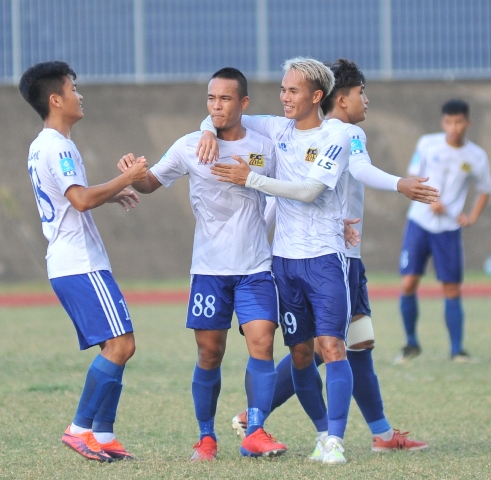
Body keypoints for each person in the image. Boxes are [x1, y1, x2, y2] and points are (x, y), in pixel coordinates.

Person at [225, 58, 434, 454]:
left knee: (348, 344)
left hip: (336, 252)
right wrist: (400, 184)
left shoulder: (332, 134)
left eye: (292, 90)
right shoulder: (348, 133)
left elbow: (299, 189)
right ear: (338, 98)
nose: (365, 101)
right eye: (360, 93)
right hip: (332, 258)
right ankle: (259, 415)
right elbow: (359, 170)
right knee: (329, 346)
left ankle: (371, 433)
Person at [118, 67, 288, 460]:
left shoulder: (264, 148)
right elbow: (150, 183)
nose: (216, 106)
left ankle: (256, 431)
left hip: (255, 268)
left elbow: (287, 189)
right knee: (210, 353)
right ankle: (206, 437)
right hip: (209, 270)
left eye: (225, 98)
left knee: (263, 342)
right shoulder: (190, 146)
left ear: (243, 103)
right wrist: (132, 175)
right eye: (211, 98)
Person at [199, 57, 356, 464]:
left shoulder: (336, 135)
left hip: (324, 259)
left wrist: (250, 178)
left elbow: (309, 191)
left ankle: (336, 441)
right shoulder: (277, 128)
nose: (284, 97)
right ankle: (322, 433)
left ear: (316, 96)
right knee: (301, 354)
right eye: (283, 89)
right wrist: (207, 131)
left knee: (331, 346)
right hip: (283, 263)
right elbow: (222, 115)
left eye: (293, 90)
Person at [18, 61, 148, 462]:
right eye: (73, 88)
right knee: (122, 344)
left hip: (71, 262)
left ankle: (104, 435)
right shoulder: (58, 146)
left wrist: (110, 194)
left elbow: (72, 199)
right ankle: (80, 429)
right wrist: (126, 179)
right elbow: (79, 200)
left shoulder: (42, 144)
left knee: (119, 345)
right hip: (79, 262)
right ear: (56, 99)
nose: (79, 94)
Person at [396, 99, 491, 363]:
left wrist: (472, 216)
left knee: (451, 288)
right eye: (449, 122)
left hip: (448, 229)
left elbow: (485, 189)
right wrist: (430, 200)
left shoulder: (476, 156)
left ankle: (457, 350)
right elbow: (412, 177)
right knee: (408, 283)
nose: (454, 127)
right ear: (443, 122)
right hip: (419, 223)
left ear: (468, 123)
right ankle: (411, 344)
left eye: (459, 122)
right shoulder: (427, 144)